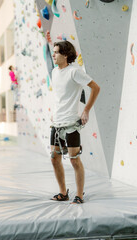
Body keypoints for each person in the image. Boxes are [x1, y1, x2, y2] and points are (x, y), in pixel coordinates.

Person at [50, 41, 100, 204]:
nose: (54, 55)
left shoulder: (74, 72)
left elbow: (95, 88)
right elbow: (59, 96)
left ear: (65, 55)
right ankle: (63, 192)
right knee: (54, 158)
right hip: (56, 123)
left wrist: (86, 110)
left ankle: (79, 195)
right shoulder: (54, 72)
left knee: (74, 160)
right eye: (54, 52)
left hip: (71, 123)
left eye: (56, 52)